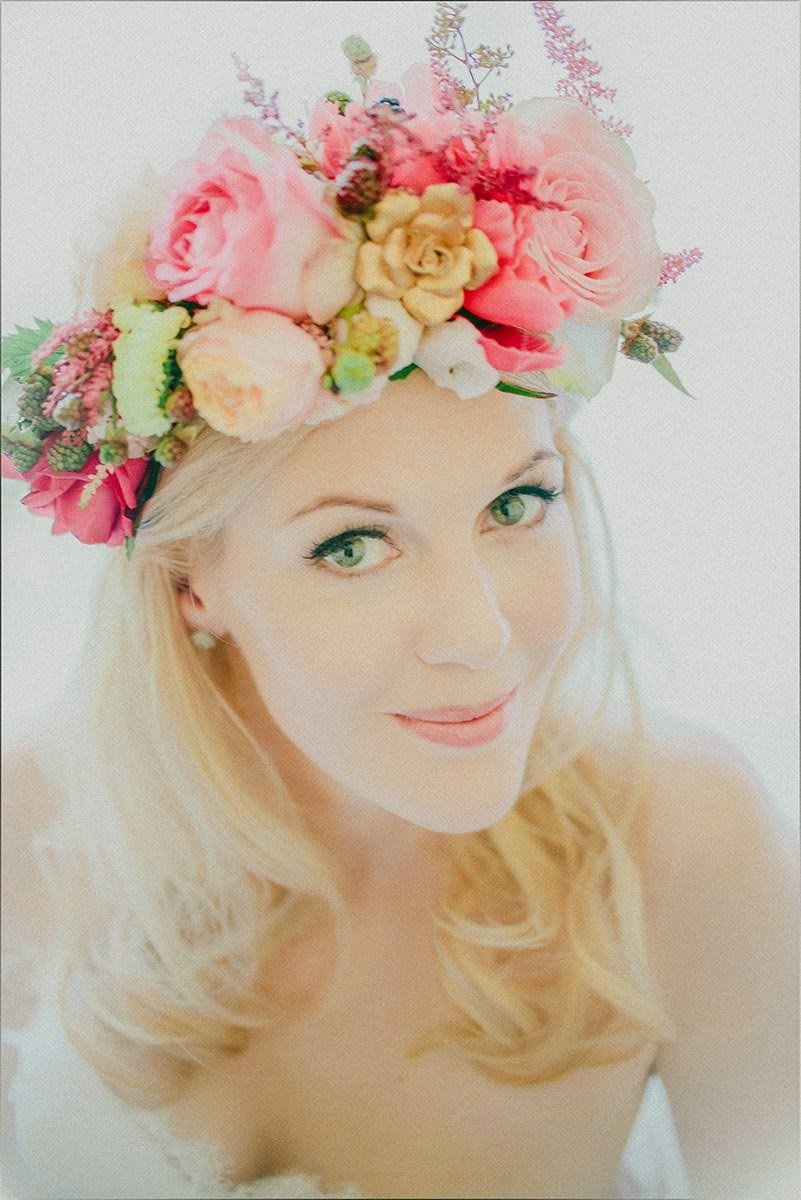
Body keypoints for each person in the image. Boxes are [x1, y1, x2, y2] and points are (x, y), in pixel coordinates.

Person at [1, 6, 797, 1199]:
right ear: (189, 584)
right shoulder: (31, 823)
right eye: (355, 546)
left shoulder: (687, 843)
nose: (480, 637)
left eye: (516, 508)